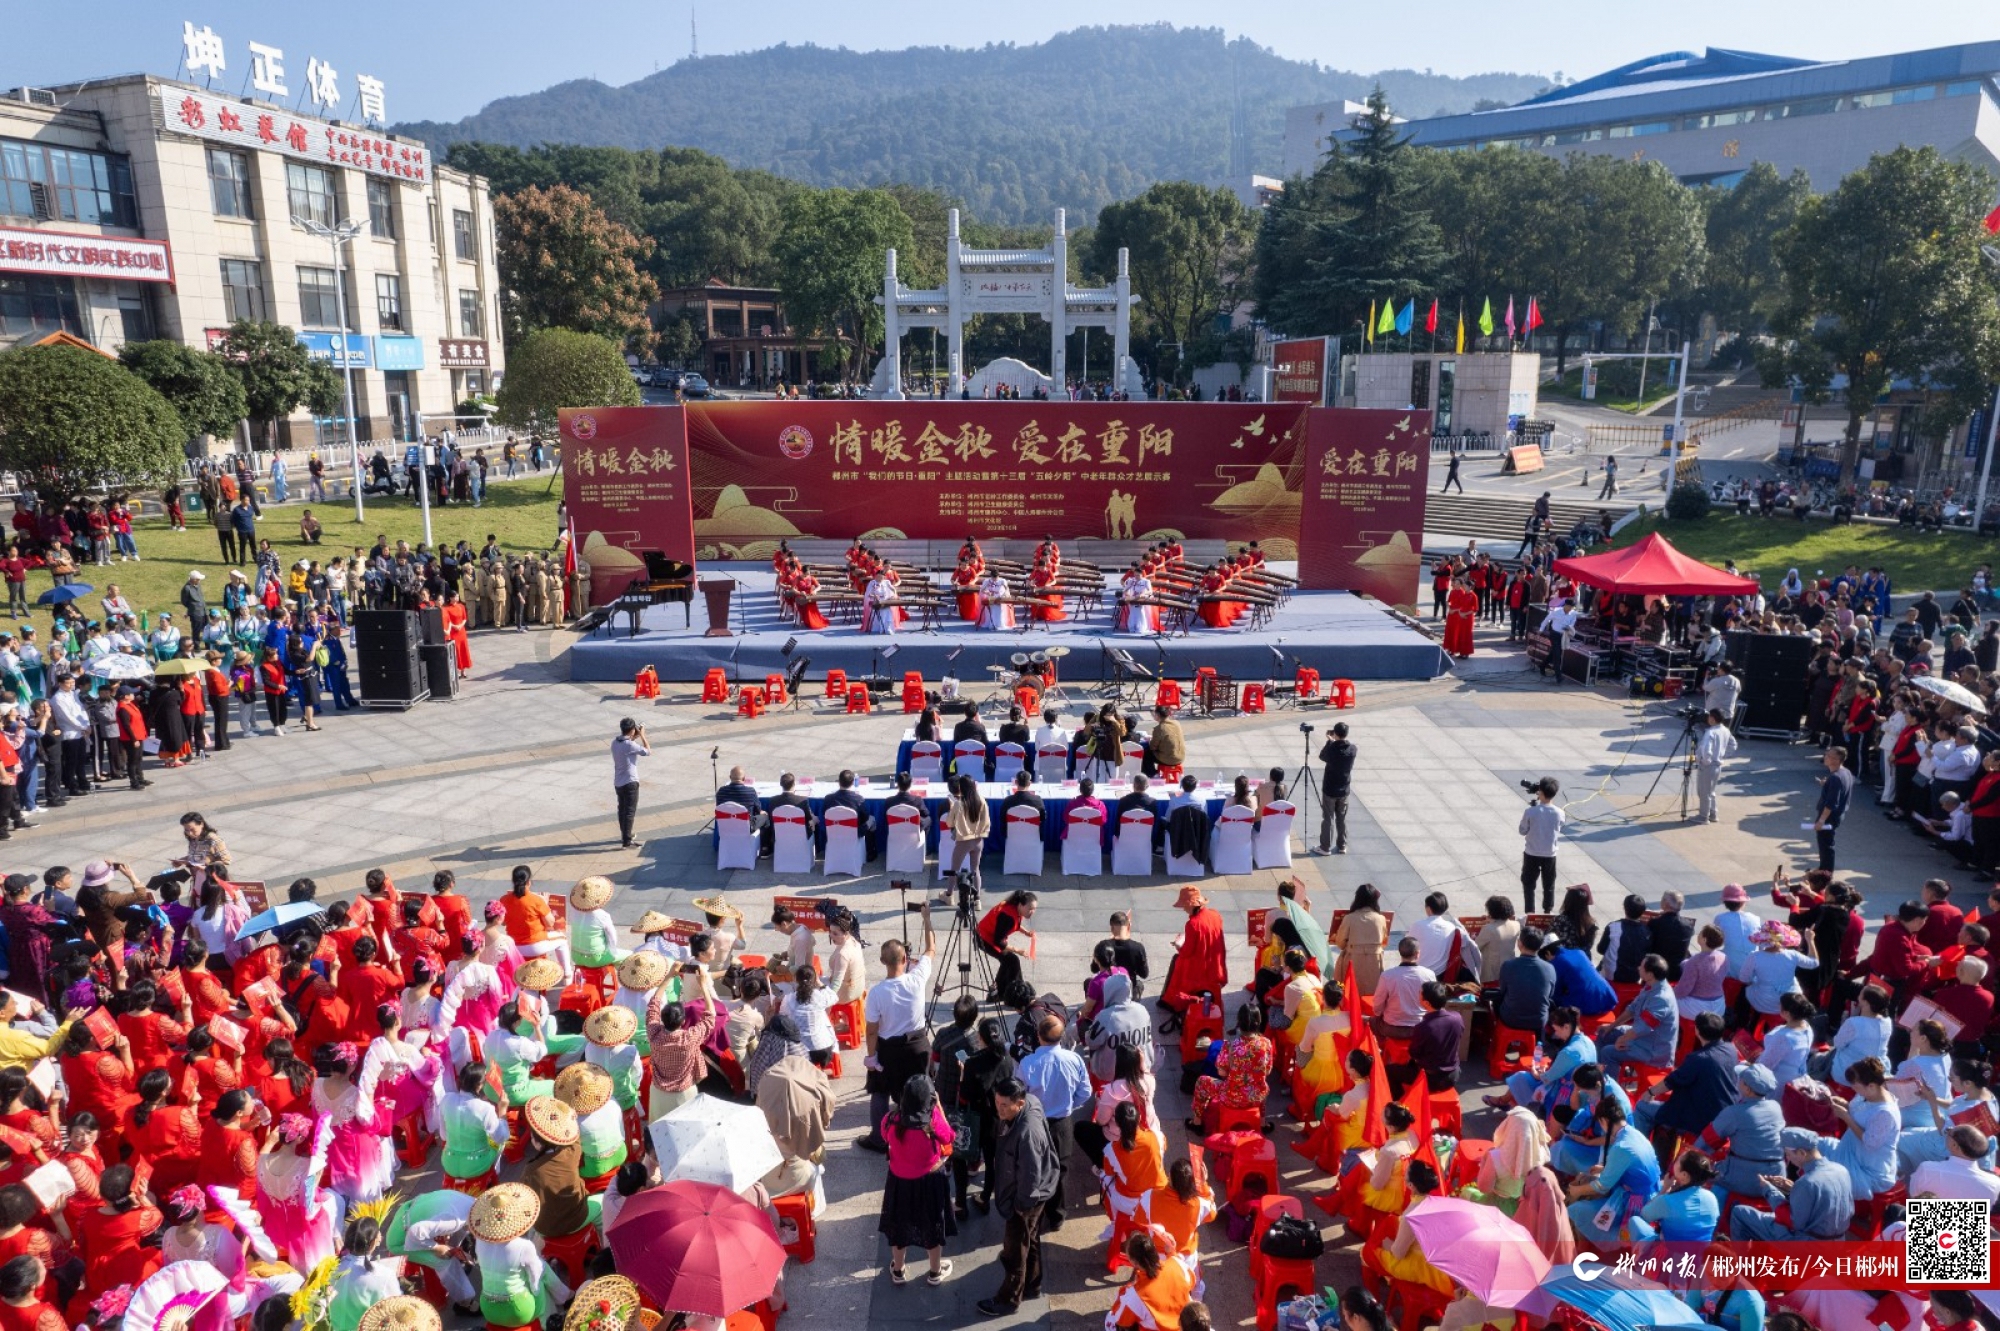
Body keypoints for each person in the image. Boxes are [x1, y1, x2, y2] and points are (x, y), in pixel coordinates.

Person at [975, 1076, 1059, 1318]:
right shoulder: (1030, 1102)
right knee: (1030, 1238)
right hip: (1036, 1190)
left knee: (1014, 1250)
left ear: (1019, 1103)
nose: (998, 1109)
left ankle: (1008, 1299)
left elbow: (1029, 1178)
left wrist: (1019, 1208)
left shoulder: (1027, 1134)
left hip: (1025, 1199)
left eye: (1004, 1105)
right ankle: (1033, 1283)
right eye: (997, 1102)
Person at [859, 903, 935, 1154]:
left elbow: (872, 1029)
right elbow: (931, 949)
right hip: (917, 1045)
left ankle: (879, 1139)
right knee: (919, 1090)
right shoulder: (917, 978)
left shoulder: (877, 993)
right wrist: (926, 919)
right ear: (905, 959)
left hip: (889, 1049)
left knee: (879, 1091)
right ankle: (919, 1133)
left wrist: (871, 1057)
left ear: (883, 961)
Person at [877, 1073, 955, 1288]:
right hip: (929, 1182)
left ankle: (898, 1269)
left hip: (899, 1183)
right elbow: (949, 1137)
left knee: (899, 1226)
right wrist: (939, 1108)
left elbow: (885, 1137)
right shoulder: (933, 1121)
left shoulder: (891, 1119)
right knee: (932, 1226)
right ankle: (935, 1272)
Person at [1015, 1013, 1088, 1229]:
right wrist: (1070, 1105)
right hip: (1063, 1124)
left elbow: (1019, 1096)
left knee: (1035, 1168)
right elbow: (1085, 1092)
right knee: (1061, 1170)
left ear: (1039, 1036)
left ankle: (1036, 1211)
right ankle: (1057, 1216)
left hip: (1036, 1124)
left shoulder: (1028, 1063)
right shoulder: (1074, 1060)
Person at [1729, 1127, 1855, 1242]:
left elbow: (1791, 1221)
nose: (1788, 1159)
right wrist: (1793, 1189)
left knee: (1740, 1212)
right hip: (1838, 1241)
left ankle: (1742, 1259)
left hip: (1808, 1244)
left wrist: (1768, 1189)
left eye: (1788, 1154)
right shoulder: (1841, 1170)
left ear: (1801, 1153)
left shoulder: (1807, 1182)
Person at [1158, 885, 1228, 1019]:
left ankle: (1171, 1000)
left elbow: (1186, 952)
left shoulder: (1192, 924)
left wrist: (1178, 945)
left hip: (1199, 967)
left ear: (1191, 905)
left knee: (1178, 962)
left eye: (1184, 905)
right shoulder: (1215, 915)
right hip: (1215, 963)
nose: (1183, 909)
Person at [974, 890, 1036, 1002]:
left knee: (1008, 961)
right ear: (1021, 905)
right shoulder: (1007, 916)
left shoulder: (1015, 908)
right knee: (1012, 960)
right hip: (984, 939)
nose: (1032, 912)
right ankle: (1013, 995)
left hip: (989, 936)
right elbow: (999, 941)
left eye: (1034, 909)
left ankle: (999, 994)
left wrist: (1026, 932)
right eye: (1030, 909)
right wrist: (1017, 950)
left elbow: (1016, 923)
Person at [1518, 778, 1563, 913]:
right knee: (1549, 884)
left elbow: (1522, 830)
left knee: (1528, 884)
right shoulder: (1560, 813)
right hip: (1550, 854)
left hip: (1532, 853)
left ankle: (1530, 912)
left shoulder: (1531, 811)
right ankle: (1548, 911)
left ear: (1540, 792)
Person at [1810, 745, 1855, 872]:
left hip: (1829, 817)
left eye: (1829, 756)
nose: (1825, 757)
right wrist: (1826, 784)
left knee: (1826, 845)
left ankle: (1826, 872)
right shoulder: (1845, 772)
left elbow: (1831, 803)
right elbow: (1840, 790)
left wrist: (1821, 821)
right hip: (1838, 815)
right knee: (1826, 843)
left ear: (1836, 760)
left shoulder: (1835, 778)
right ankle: (1824, 869)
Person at [1315, 721, 1356, 855]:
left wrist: (1330, 741)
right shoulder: (1352, 749)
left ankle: (1325, 847)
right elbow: (1343, 749)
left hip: (1330, 789)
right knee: (1341, 818)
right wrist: (1334, 741)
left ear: (1336, 733)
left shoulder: (1332, 749)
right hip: (1344, 789)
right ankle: (1342, 845)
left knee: (1328, 818)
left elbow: (1322, 756)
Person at [1693, 707, 1737, 823]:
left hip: (1708, 766)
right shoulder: (1725, 730)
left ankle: (1703, 816)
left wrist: (1704, 761)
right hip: (1717, 765)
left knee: (1704, 792)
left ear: (1712, 718)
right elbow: (1733, 745)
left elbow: (1706, 750)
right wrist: (1722, 755)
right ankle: (1713, 813)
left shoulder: (1710, 732)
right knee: (1711, 791)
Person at [611, 718, 649, 850]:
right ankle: (627, 841)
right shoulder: (630, 745)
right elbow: (647, 751)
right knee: (629, 812)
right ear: (632, 730)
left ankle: (626, 834)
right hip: (630, 782)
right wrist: (642, 735)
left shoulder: (615, 742)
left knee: (622, 810)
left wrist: (634, 735)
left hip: (618, 782)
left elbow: (627, 744)